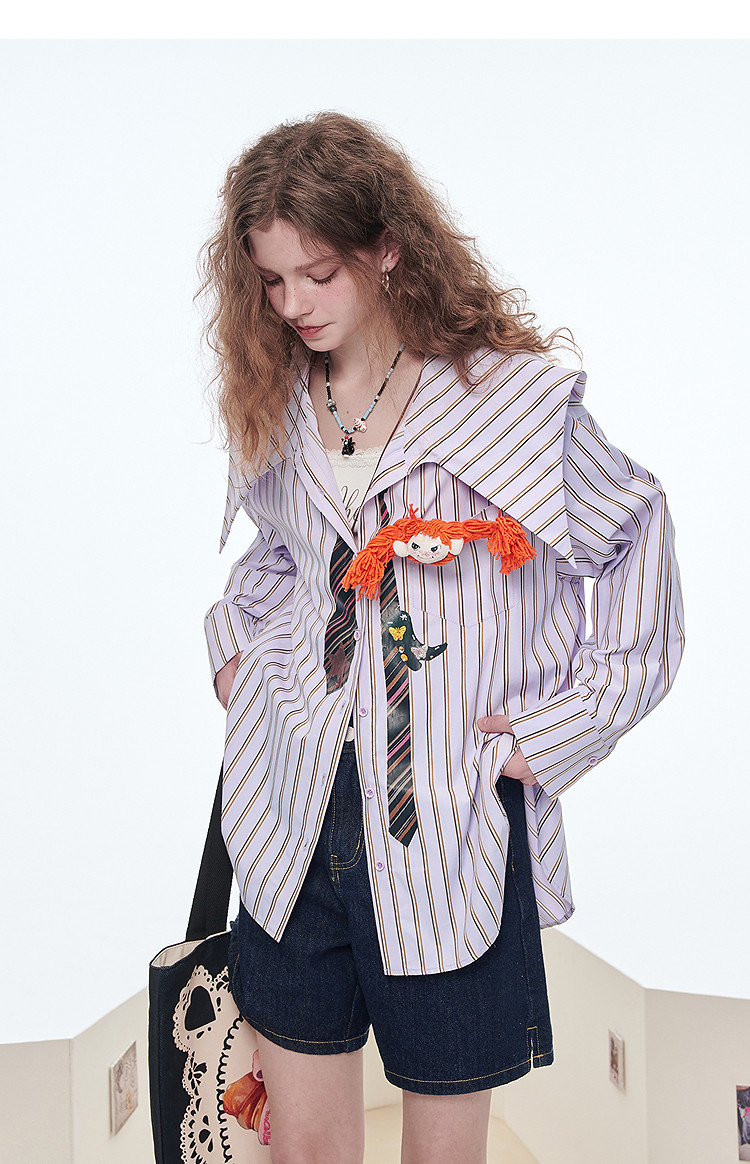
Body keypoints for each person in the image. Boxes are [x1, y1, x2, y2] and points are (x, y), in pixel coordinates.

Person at [198, 110, 685, 1164]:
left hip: (450, 823)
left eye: (318, 273)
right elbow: (280, 556)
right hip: (289, 814)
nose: (294, 305)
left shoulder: (510, 405)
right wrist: (236, 649)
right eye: (271, 281)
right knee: (303, 1152)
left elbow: (635, 537)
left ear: (387, 248)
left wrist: (555, 734)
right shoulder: (280, 399)